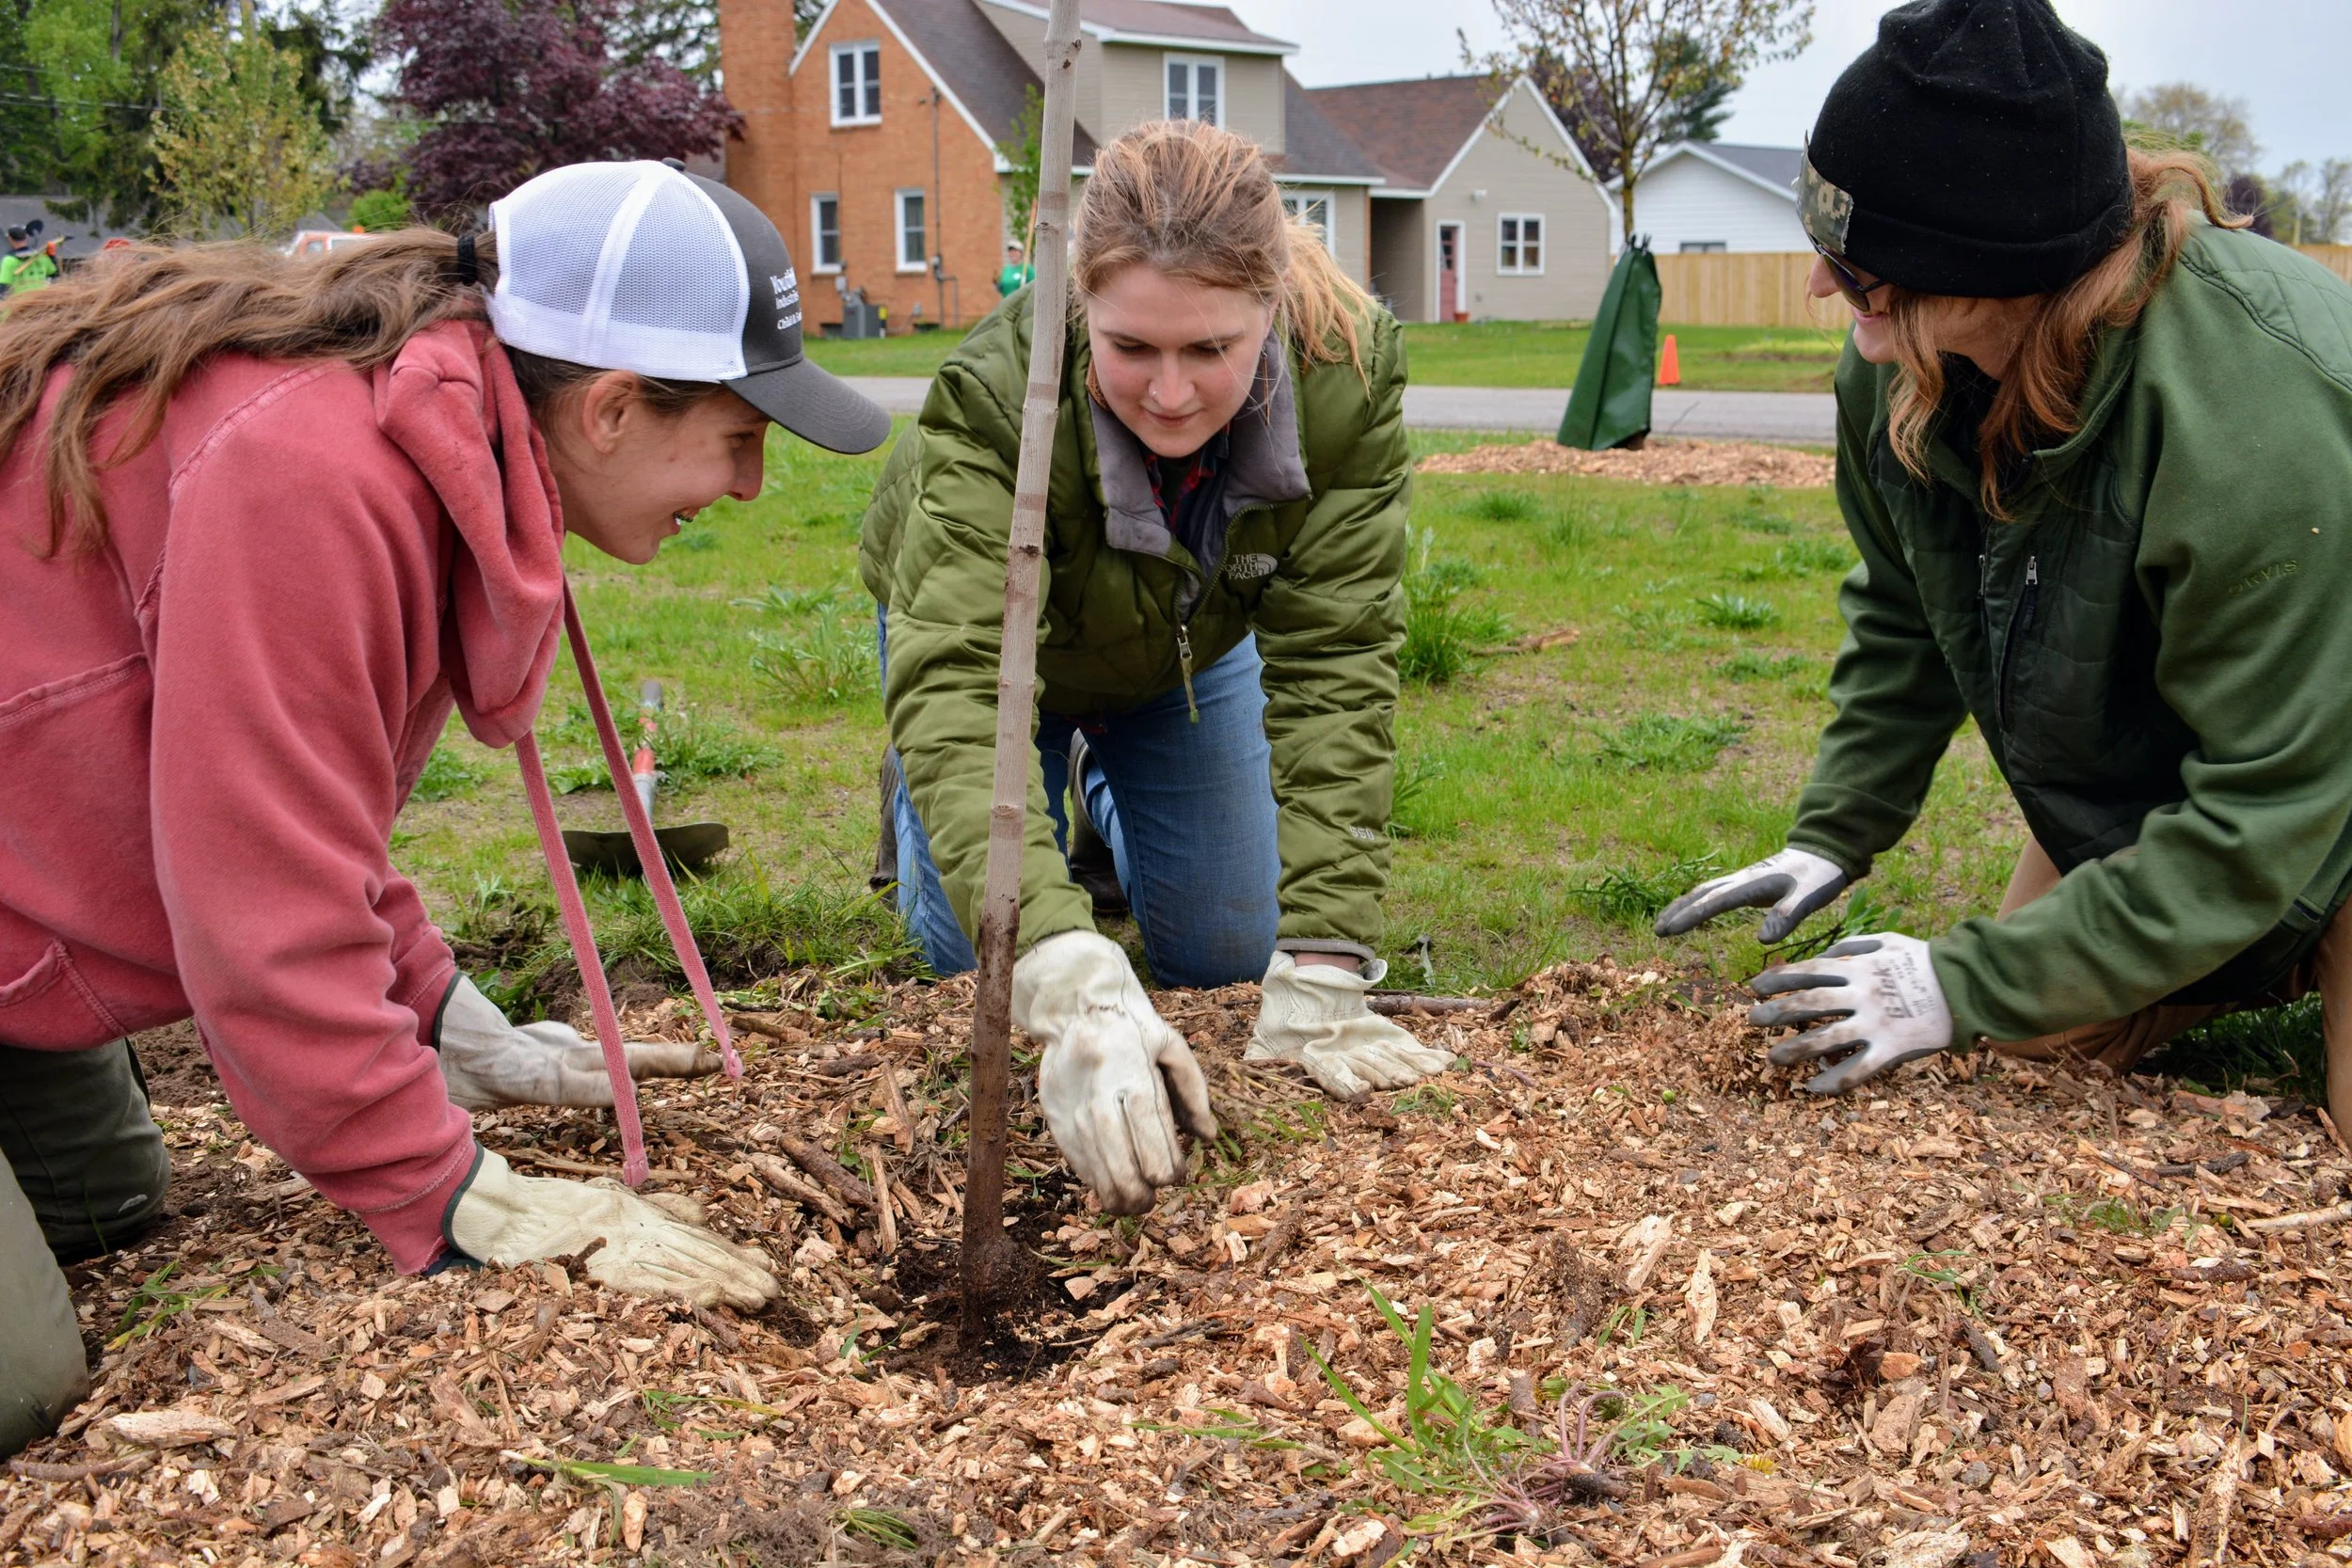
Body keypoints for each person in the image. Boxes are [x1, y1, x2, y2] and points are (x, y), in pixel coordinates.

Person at [0, 159, 890, 1457]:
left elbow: (290, 808)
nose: (752, 487)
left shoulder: (426, 440)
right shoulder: (313, 476)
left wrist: (441, 1015)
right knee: (23, 1380)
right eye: (741, 438)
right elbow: (259, 921)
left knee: (109, 1206)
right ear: (610, 409)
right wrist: (458, 1191)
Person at [1652, 0, 2352, 1129]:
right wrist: (1834, 827)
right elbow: (1904, 606)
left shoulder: (2254, 420)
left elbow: (2264, 812)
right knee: (2021, 1052)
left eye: (1859, 266)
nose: (1822, 290)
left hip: (2322, 777)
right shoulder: (1896, 366)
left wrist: (1954, 977)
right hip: (2172, 774)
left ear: (1983, 271)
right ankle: (2225, 951)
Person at [861, 119, 1452, 1214]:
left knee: (1232, 948)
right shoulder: (997, 397)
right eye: (1132, 348)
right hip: (995, 656)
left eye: (1210, 349)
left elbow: (1337, 658)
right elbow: (958, 679)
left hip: (1181, 652)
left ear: (1268, 307)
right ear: (1080, 305)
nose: (1171, 394)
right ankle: (933, 794)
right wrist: (1060, 968)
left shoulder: (1344, 382)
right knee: (973, 966)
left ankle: (1096, 779)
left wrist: (1324, 957)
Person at [0, 225, 56, 296]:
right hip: (41, 302)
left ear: (9, 239)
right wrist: (52, 256)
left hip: (20, 305)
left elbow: (3, 287)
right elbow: (55, 274)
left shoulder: (9, 260)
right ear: (26, 237)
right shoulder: (41, 256)